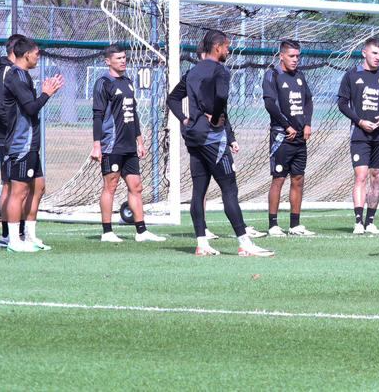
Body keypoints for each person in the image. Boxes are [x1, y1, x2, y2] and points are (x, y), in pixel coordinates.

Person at [167, 30, 273, 257]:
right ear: (217, 48)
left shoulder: (192, 72)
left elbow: (172, 98)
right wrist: (215, 117)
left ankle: (201, 243)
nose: (228, 50)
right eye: (226, 46)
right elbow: (221, 98)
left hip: (193, 137)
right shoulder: (220, 70)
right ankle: (244, 243)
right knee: (229, 189)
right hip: (212, 138)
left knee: (199, 191)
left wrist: (185, 119)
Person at [92, 45, 165, 243]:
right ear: (108, 61)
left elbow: (133, 114)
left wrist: (139, 140)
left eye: (124, 57)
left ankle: (141, 231)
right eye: (118, 58)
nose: (123, 61)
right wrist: (97, 144)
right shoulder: (103, 83)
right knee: (111, 186)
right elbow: (97, 116)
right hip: (112, 144)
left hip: (129, 145)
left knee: (136, 186)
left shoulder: (128, 82)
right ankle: (107, 232)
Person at [1, 37, 64, 253]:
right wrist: (47, 93)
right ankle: (13, 240)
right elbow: (30, 108)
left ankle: (30, 236)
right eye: (37, 54)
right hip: (21, 144)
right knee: (18, 192)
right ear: (27, 54)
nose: (38, 57)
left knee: (38, 187)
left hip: (31, 144)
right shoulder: (15, 76)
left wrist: (46, 92)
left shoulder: (24, 75)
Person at [338, 36, 379, 235]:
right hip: (360, 134)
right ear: (364, 53)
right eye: (374, 53)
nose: (378, 57)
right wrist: (359, 121)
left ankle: (370, 221)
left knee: (377, 176)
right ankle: (358, 222)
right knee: (361, 176)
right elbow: (342, 103)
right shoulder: (352, 75)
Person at [263, 40, 316, 237]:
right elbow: (270, 104)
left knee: (298, 178)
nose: (295, 60)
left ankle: (295, 224)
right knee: (278, 179)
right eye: (291, 56)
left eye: (297, 56)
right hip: (281, 135)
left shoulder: (300, 76)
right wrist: (286, 126)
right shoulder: (273, 75)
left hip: (300, 137)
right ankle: (273, 225)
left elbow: (308, 100)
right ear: (282, 56)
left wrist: (307, 123)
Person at [0, 34, 25, 249]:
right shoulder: (6, 72)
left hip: (15, 137)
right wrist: (12, 132)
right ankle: (7, 234)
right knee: (10, 184)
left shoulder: (14, 72)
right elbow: (0, 107)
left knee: (17, 184)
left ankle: (16, 232)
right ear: (16, 51)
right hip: (8, 138)